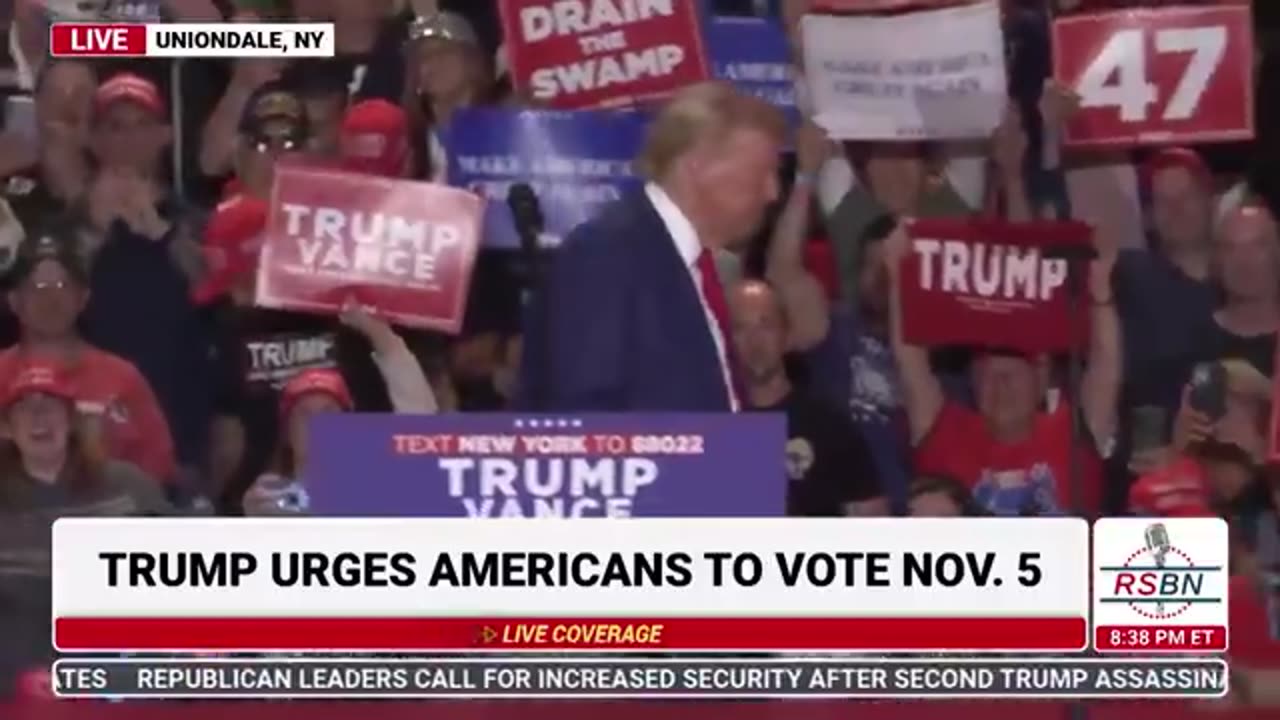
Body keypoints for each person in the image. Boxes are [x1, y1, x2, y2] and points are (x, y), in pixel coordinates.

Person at [519, 82, 786, 412]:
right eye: (761, 174)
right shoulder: (608, 254)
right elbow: (585, 424)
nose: (773, 193)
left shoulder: (691, 262)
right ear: (697, 165)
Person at [884, 217, 1123, 516]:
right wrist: (900, 275)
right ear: (971, 381)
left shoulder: (1074, 432)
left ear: (1041, 376)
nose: (999, 388)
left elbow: (1106, 366)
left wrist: (1100, 291)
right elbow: (909, 359)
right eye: (987, 376)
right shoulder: (944, 432)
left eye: (1010, 376)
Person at [0, 359, 172, 695]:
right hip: (17, 673)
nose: (39, 419)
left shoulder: (128, 486)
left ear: (72, 421)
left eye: (50, 407)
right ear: (7, 428)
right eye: (25, 410)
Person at [76, 71, 209, 481]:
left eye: (142, 126)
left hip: (178, 413)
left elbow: (214, 289)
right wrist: (93, 230)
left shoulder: (193, 220)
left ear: (165, 134)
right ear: (94, 140)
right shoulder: (66, 221)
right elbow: (42, 301)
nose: (129, 140)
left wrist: (159, 231)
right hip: (92, 417)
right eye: (115, 127)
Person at [0, 232, 175, 483]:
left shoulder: (122, 377)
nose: (51, 299)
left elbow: (159, 464)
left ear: (83, 298)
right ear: (14, 301)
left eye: (63, 286)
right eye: (37, 287)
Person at [241, 314, 436, 516]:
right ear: (288, 433)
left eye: (328, 412)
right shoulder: (268, 498)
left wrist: (381, 336)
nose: (317, 423)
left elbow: (421, 425)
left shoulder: (379, 489)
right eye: (305, 414)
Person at [731, 279, 885, 516]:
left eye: (766, 325)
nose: (755, 341)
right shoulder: (711, 423)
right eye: (740, 328)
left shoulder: (829, 425)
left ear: (787, 336)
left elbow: (873, 520)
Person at [403, 9, 491, 181]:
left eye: (445, 51)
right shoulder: (409, 140)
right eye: (424, 57)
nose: (434, 62)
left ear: (472, 60)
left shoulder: (501, 126)